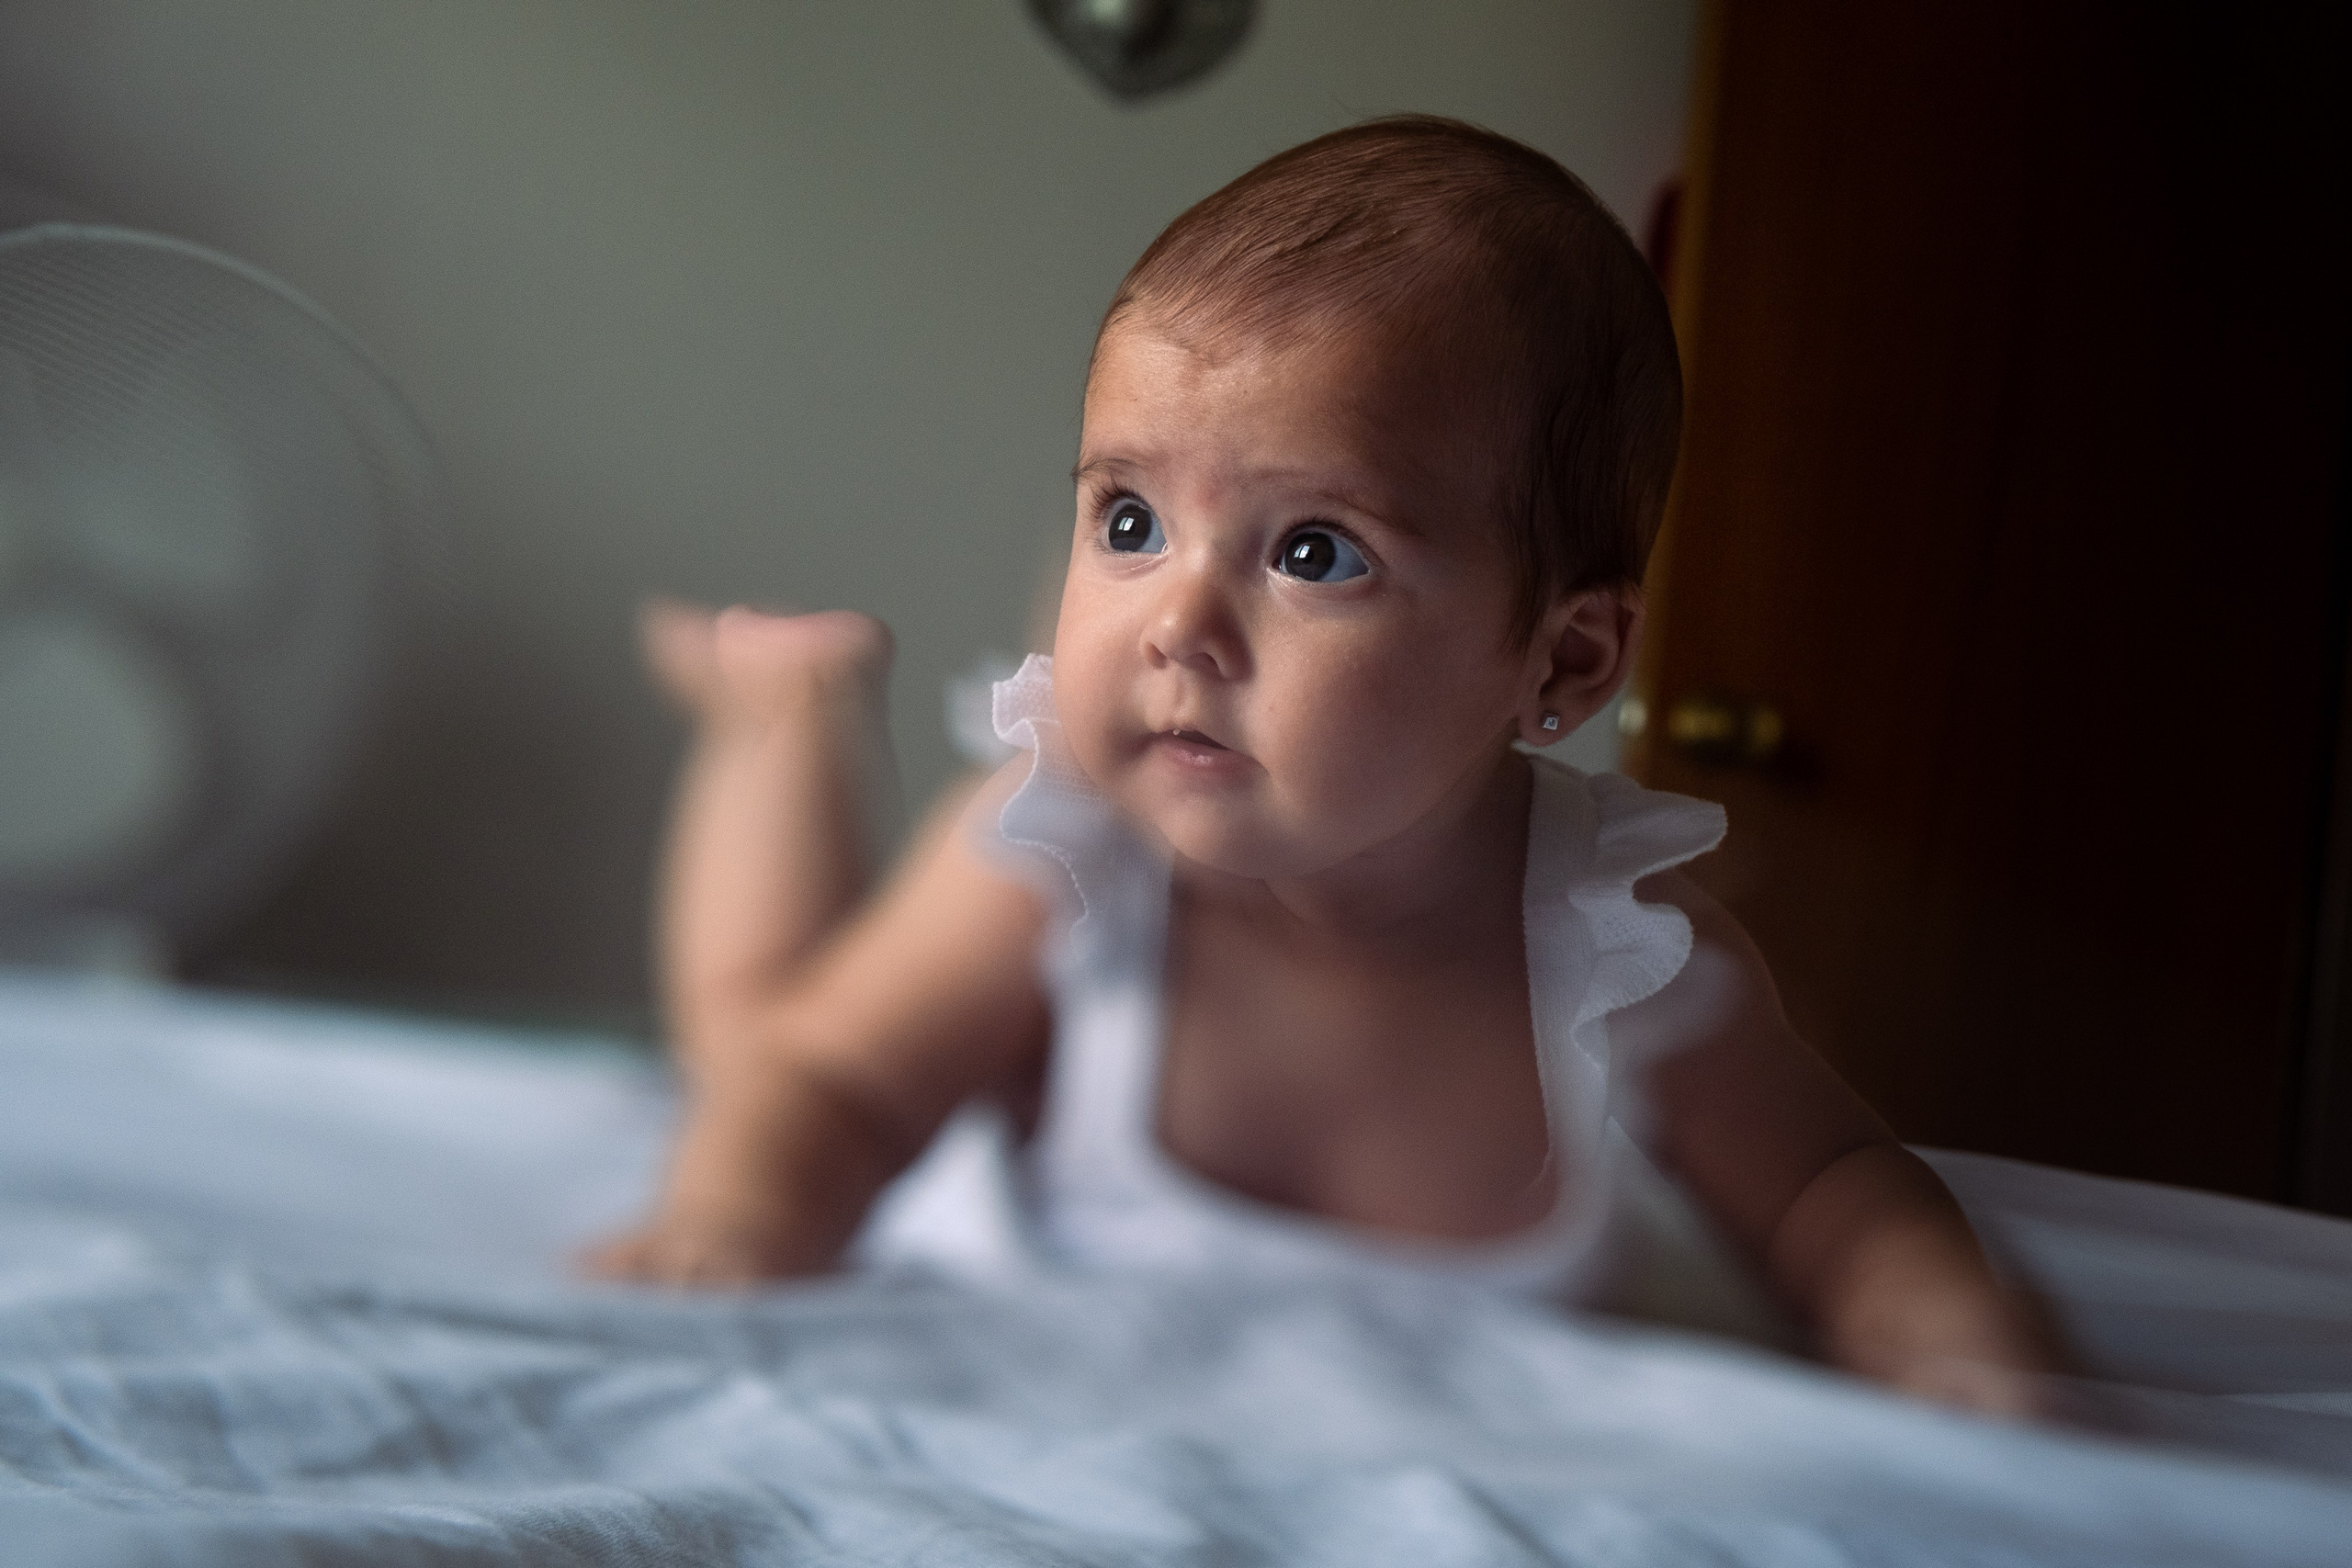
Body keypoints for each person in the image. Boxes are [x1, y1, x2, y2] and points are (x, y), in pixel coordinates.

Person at [584, 116, 2062, 1417]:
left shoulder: (1620, 956)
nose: (1177, 623)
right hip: (906, 1054)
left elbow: (1829, 1194)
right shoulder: (1064, 868)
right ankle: (783, 710)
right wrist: (735, 1224)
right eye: (1127, 521)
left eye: (1313, 553)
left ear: (1560, 665)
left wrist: (1930, 1322)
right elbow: (832, 1083)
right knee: (747, 1038)